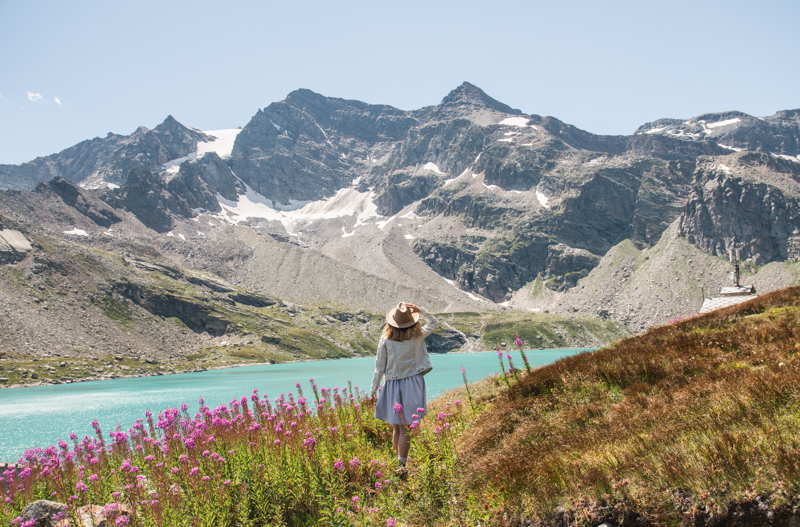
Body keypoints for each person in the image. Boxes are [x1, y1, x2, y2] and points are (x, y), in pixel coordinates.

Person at [370, 302, 438, 475]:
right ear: (412, 321)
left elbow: (379, 367)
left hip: (393, 383)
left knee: (397, 426)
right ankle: (402, 464)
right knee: (406, 425)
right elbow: (434, 322)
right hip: (413, 383)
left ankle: (398, 462)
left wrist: (373, 391)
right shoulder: (418, 335)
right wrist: (420, 310)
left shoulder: (385, 339)